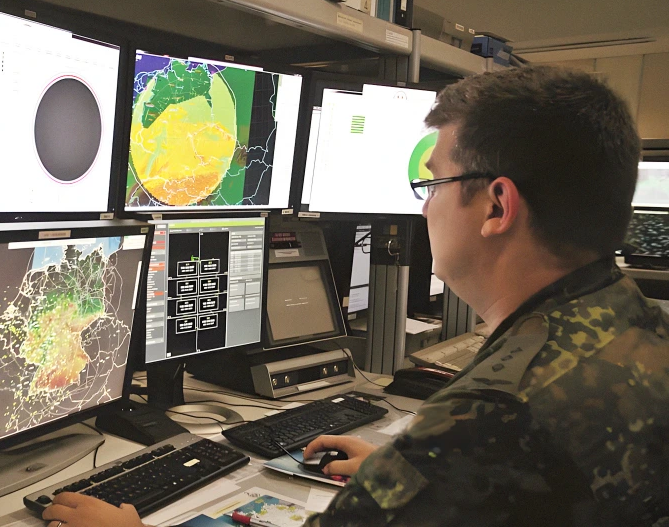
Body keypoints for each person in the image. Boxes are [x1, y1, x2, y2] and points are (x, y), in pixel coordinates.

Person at [41, 66, 669, 527]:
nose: (423, 207)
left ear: (497, 206)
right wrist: (402, 477)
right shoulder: (629, 319)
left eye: (434, 183)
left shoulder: (488, 415)